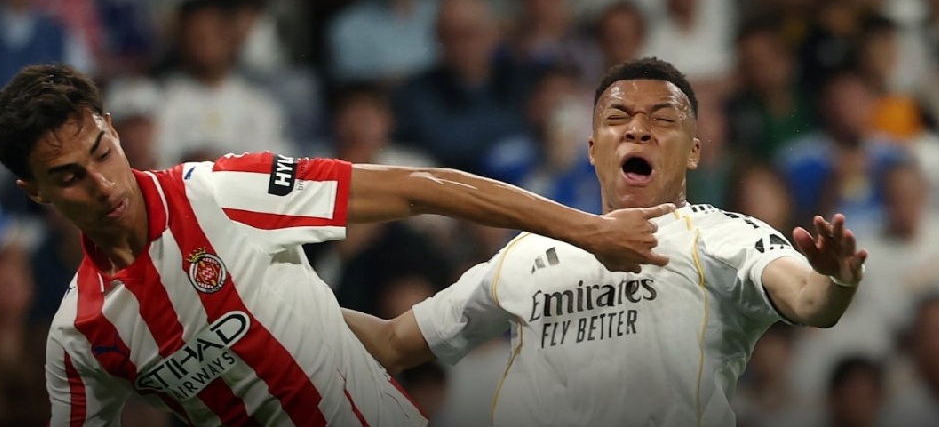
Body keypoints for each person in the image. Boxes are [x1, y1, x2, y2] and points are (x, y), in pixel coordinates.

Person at [0, 64, 672, 426]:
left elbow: (420, 187)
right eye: (70, 177)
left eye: (103, 150)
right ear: (34, 190)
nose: (102, 182)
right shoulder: (82, 333)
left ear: (112, 126)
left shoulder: (223, 192)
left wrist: (587, 229)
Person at [343, 57, 869, 427]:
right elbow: (391, 344)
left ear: (694, 152)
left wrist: (837, 279)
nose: (638, 129)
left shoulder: (724, 235)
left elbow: (809, 301)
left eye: (663, 120)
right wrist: (275, 290)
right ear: (594, 149)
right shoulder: (526, 254)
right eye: (618, 119)